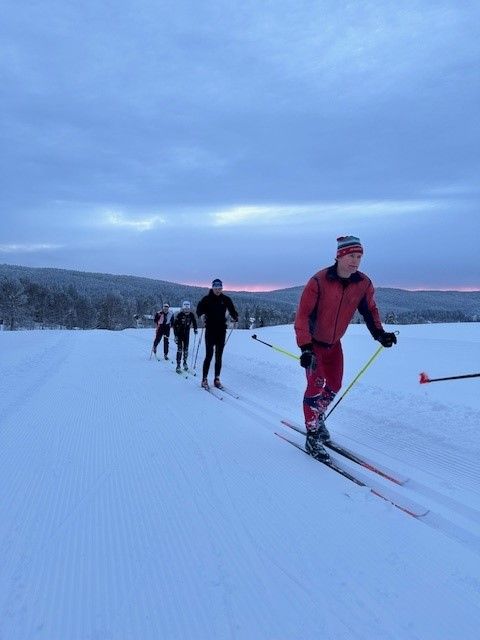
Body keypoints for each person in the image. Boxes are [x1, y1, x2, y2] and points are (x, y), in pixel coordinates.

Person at [294, 236, 397, 461]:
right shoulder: (319, 281)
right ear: (340, 255)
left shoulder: (363, 283)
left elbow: (370, 311)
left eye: (359, 257)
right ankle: (312, 436)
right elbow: (302, 315)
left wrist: (380, 334)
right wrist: (305, 348)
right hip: (314, 345)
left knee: (334, 385)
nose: (356, 261)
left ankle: (318, 417)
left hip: (334, 345)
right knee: (315, 387)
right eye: (352, 256)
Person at [196, 278, 238, 389]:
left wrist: (235, 318)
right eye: (216, 288)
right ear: (213, 287)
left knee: (219, 356)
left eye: (220, 288)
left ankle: (217, 379)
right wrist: (202, 315)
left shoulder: (226, 299)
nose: (218, 290)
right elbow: (198, 309)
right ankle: (204, 379)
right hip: (210, 329)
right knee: (209, 355)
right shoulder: (206, 299)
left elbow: (233, 310)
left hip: (221, 330)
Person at [173, 301, 198, 373]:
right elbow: (174, 326)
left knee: (186, 350)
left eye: (188, 309)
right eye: (185, 309)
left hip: (187, 335)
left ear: (189, 309)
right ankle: (178, 365)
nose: (186, 310)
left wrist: (195, 329)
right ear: (183, 308)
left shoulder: (191, 315)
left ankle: (184, 363)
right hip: (179, 334)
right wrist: (176, 336)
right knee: (180, 349)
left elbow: (194, 322)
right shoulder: (179, 315)